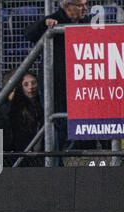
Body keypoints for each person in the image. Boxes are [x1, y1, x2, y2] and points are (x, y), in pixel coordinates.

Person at [25, 0, 90, 151]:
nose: (85, 8)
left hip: (79, 82)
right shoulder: (54, 19)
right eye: (80, 5)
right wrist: (44, 24)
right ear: (67, 6)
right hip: (55, 84)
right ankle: (56, 160)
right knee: (57, 123)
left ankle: (80, 154)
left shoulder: (88, 21)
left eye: (86, 4)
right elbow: (28, 34)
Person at [10, 72, 43, 153]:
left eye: (33, 83)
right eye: (26, 84)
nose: (31, 87)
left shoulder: (43, 103)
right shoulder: (16, 107)